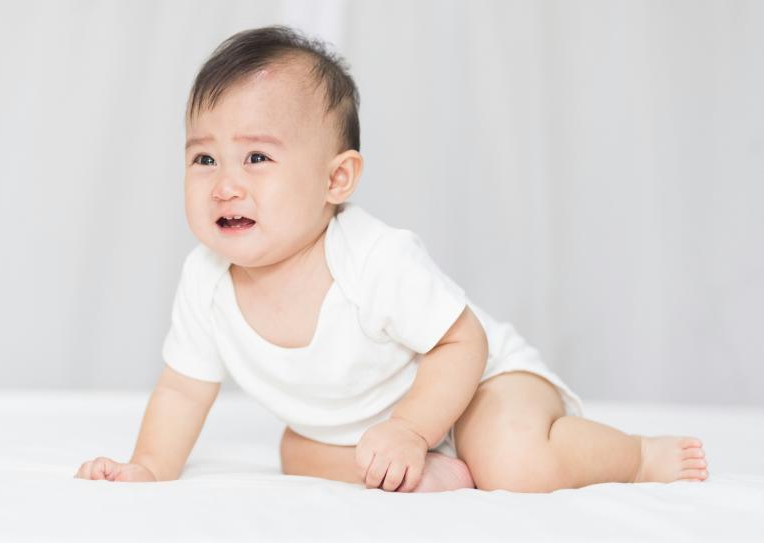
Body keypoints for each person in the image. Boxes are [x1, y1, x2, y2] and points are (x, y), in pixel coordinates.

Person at [74, 25, 708, 492]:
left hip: (482, 385)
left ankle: (636, 456)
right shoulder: (205, 280)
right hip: (375, 431)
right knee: (299, 455)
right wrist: (149, 466)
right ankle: (427, 471)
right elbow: (183, 391)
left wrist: (411, 429)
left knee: (514, 464)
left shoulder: (372, 258)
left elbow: (462, 342)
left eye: (257, 157)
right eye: (204, 158)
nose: (224, 184)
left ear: (336, 179)